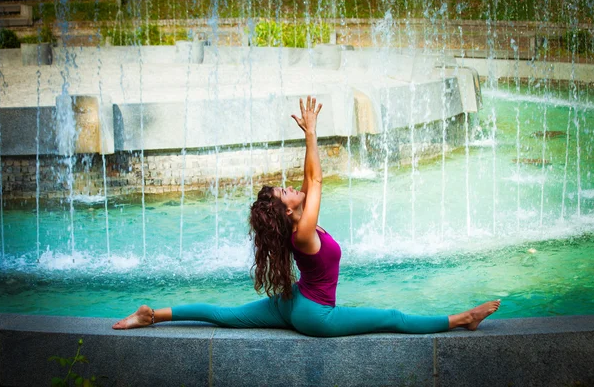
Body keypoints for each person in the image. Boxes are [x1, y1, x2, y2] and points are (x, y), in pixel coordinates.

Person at [113, 96, 500, 336]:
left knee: (224, 315)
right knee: (393, 317)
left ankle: (152, 315)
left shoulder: (297, 225)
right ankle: (462, 320)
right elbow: (315, 178)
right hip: (315, 315)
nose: (292, 187)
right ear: (288, 210)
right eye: (286, 191)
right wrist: (311, 133)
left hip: (291, 301)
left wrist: (309, 141)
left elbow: (309, 179)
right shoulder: (302, 232)